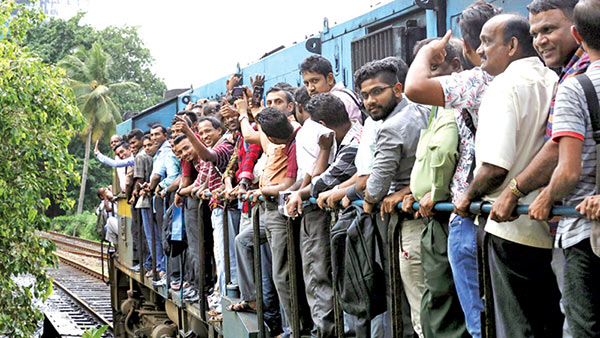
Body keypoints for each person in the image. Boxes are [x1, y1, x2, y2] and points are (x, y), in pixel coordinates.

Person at [453, 14, 563, 337]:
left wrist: (467, 195)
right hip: (549, 223)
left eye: (487, 42)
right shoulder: (555, 81)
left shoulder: (503, 87)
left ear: (513, 46)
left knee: (516, 327)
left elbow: (494, 168)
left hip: (509, 226)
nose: (480, 49)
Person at [403, 2, 501, 336]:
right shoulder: (542, 76)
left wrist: (427, 53)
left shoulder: (474, 82)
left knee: (478, 319)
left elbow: (414, 88)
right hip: (513, 209)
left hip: (472, 212)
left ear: (471, 49)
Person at [528, 1, 600, 336]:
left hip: (586, 232)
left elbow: (567, 168)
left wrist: (542, 198)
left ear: (576, 33)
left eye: (547, 30)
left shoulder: (577, 85)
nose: (540, 40)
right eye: (535, 33)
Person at [351, 59, 429, 337]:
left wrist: (371, 201)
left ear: (397, 88)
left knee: (419, 304)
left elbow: (375, 188)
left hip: (410, 222)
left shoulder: (391, 127)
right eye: (365, 95)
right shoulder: (424, 109)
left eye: (377, 92)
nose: (370, 101)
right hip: (429, 213)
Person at [286, 93, 363, 338]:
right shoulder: (349, 137)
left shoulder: (352, 144)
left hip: (356, 220)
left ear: (322, 127)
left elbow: (324, 182)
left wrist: (302, 191)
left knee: (327, 276)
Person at [300, 55, 364, 123]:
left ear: (330, 78)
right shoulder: (345, 94)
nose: (310, 88)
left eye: (315, 81)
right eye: (306, 84)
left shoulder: (337, 99)